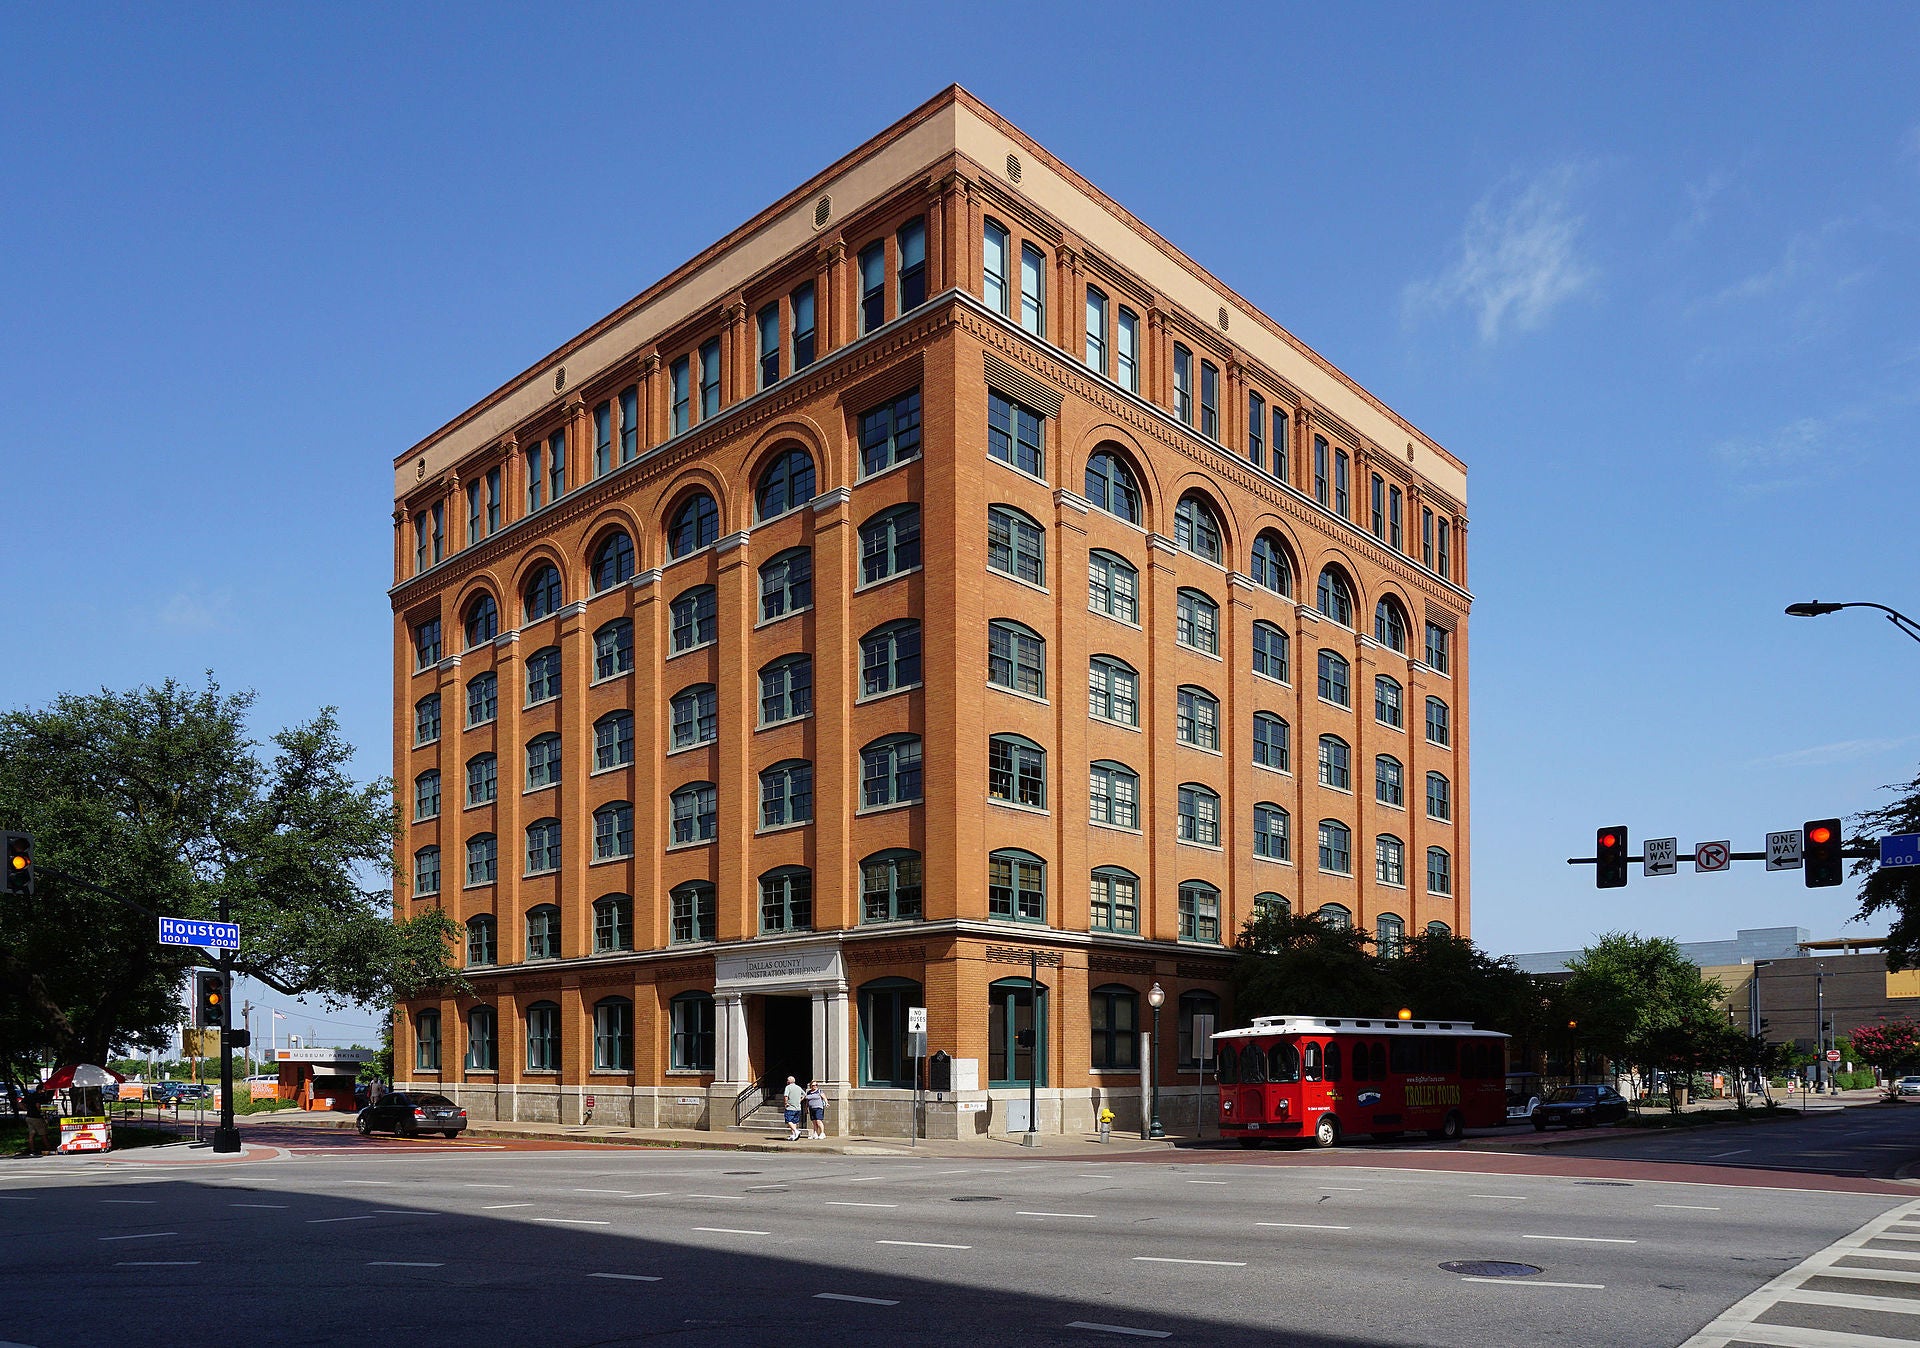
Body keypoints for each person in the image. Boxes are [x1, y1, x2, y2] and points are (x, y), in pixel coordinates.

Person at [782, 1075, 805, 1141]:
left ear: (789, 1081)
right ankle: (794, 1135)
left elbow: (786, 1096)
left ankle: (796, 1131)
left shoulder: (788, 1087)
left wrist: (786, 1103)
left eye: (787, 1080)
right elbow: (804, 1095)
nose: (786, 1081)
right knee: (794, 1122)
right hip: (798, 1108)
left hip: (790, 1107)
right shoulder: (798, 1087)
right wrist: (800, 1100)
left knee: (788, 1120)